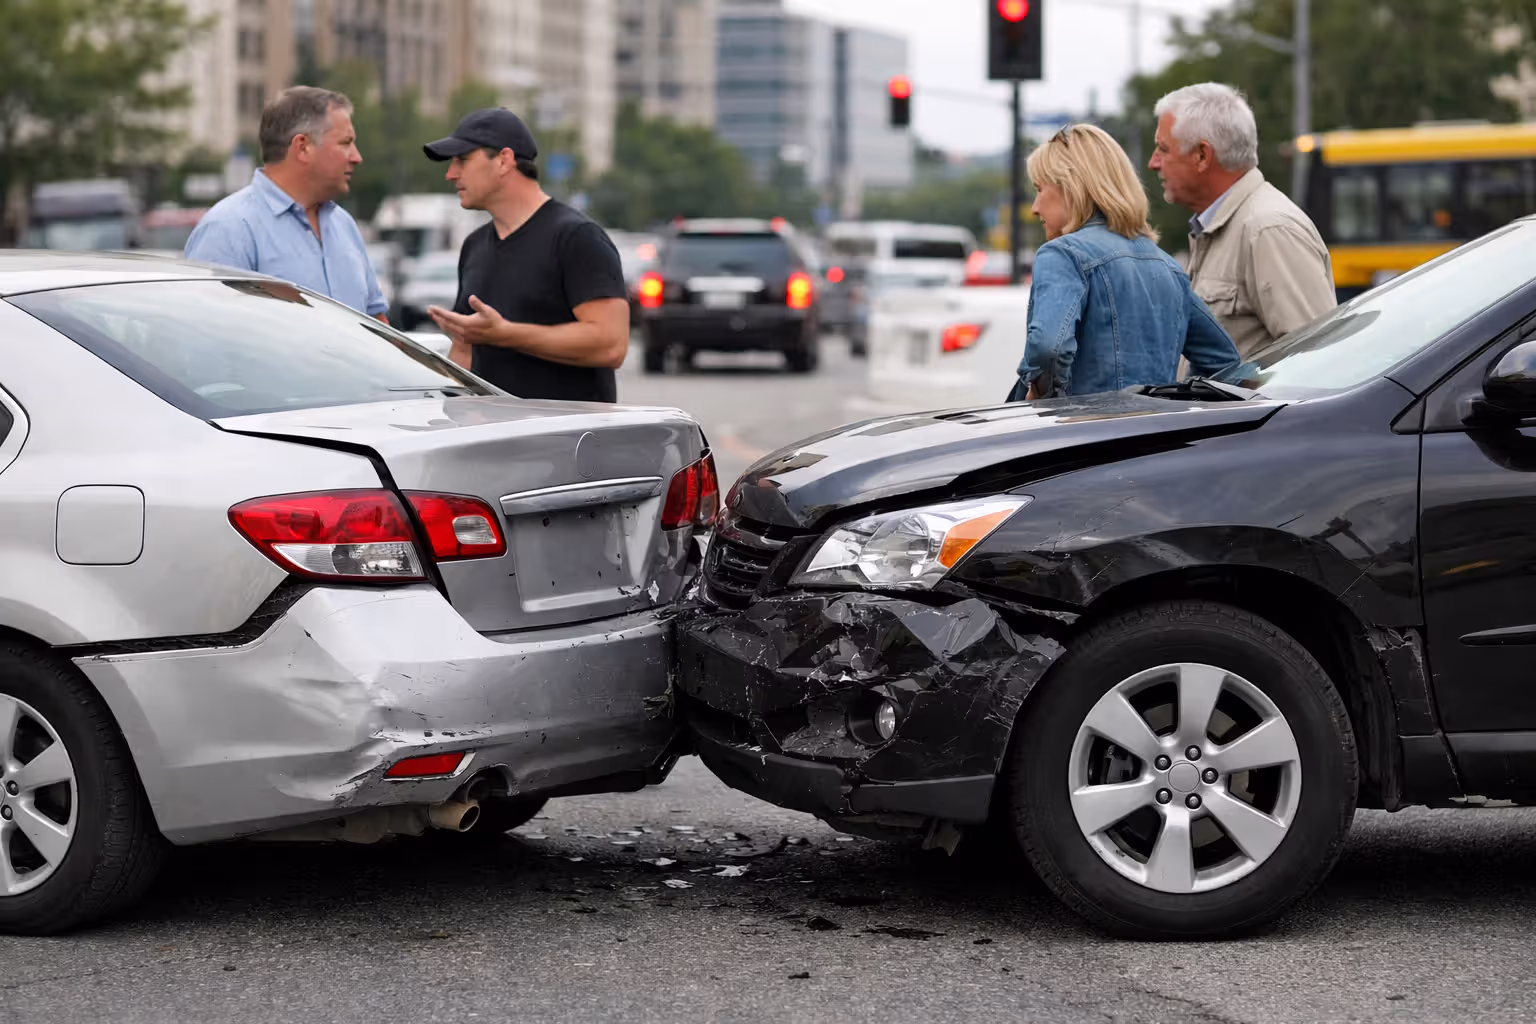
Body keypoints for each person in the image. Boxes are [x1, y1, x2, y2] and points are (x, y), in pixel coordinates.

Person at [1009, 124, 1240, 402]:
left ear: (1070, 187)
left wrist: (1041, 392)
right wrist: (1179, 405)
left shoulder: (1062, 254)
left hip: (1081, 438)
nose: (1035, 207)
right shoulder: (1168, 267)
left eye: (1039, 189)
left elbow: (1049, 347)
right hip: (1158, 441)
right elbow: (1223, 360)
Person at [422, 108, 629, 402]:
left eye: (462, 160)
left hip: (567, 441)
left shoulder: (577, 237)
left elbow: (611, 345)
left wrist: (505, 333)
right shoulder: (474, 246)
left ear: (504, 160)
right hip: (488, 441)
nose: (450, 173)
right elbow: (466, 350)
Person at [1151, 82, 1334, 357]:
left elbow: (1319, 360)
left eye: (1163, 149)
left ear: (1202, 155)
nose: (1153, 163)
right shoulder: (1226, 226)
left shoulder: (1269, 229)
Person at [184, 87, 388, 323]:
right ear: (303, 147)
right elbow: (204, 336)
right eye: (346, 143)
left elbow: (378, 326)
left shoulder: (344, 224)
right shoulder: (229, 229)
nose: (357, 157)